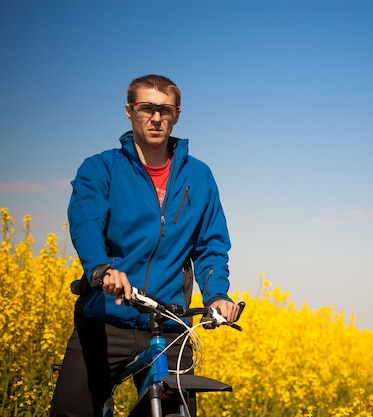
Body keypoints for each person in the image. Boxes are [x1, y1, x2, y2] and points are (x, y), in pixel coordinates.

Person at [50, 74, 239, 417]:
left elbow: (211, 243)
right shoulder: (101, 169)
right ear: (129, 111)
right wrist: (102, 269)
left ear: (177, 115)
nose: (156, 117)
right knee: (70, 410)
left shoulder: (199, 176)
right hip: (107, 319)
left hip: (170, 325)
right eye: (146, 108)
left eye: (165, 110)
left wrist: (217, 295)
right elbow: (86, 223)